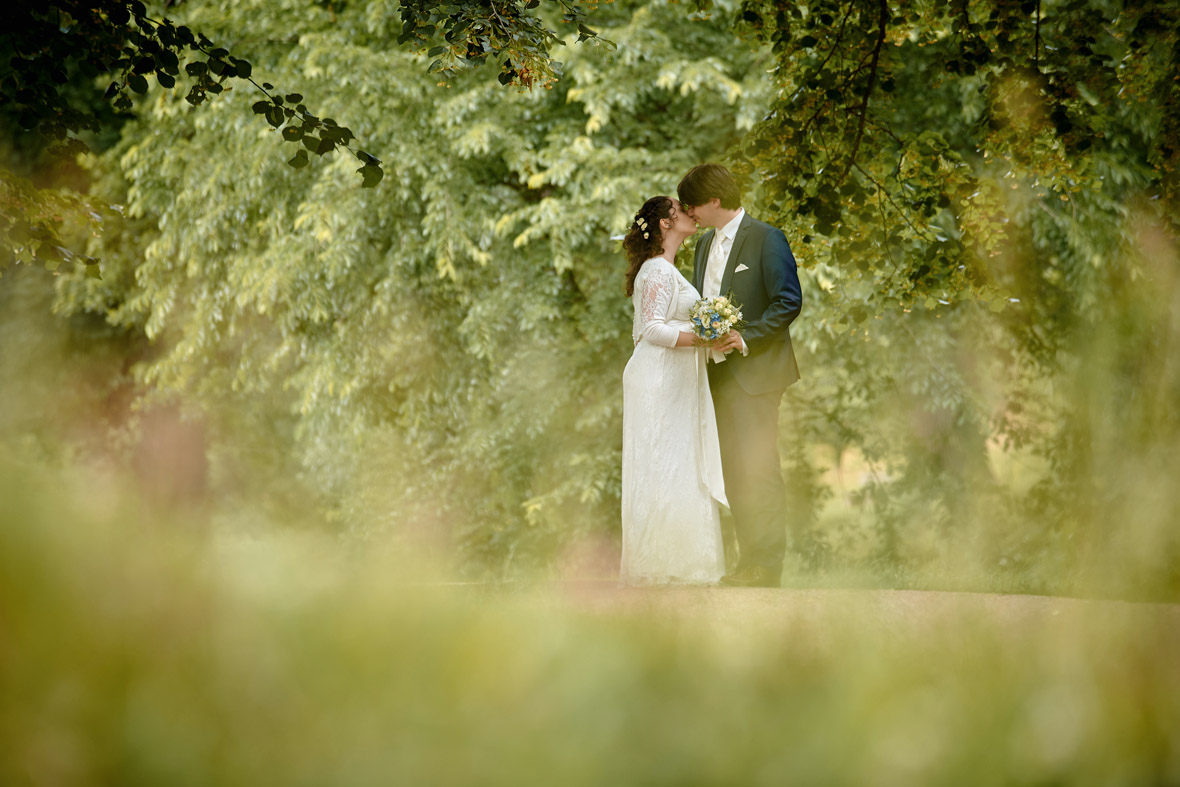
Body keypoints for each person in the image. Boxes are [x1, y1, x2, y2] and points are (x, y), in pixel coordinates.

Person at [678, 164, 803, 588]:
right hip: (715, 377)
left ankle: (767, 567)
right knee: (732, 470)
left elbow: (788, 302)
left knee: (759, 466)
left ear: (714, 201)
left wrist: (744, 338)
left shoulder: (768, 238)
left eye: (693, 204)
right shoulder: (702, 247)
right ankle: (748, 563)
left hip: (758, 375)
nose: (689, 213)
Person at [619, 196, 740, 585]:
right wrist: (704, 339)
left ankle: (684, 562)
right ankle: (661, 566)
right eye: (678, 209)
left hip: (674, 381)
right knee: (661, 465)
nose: (689, 212)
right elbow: (651, 329)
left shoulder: (667, 268)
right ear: (664, 224)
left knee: (678, 465)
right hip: (658, 380)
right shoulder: (655, 270)